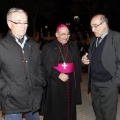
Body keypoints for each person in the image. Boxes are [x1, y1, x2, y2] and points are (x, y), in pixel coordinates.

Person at [0, 8, 46, 120]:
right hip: (12, 101)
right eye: (19, 22)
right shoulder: (2, 46)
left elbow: (40, 66)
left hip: (33, 98)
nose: (23, 25)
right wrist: (6, 91)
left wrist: (40, 82)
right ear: (10, 24)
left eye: (25, 22)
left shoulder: (34, 45)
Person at [82, 14, 120, 120]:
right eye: (91, 26)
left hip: (109, 84)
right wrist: (84, 60)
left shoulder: (116, 37)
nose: (93, 29)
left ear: (104, 24)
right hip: (94, 83)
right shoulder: (94, 40)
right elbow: (91, 57)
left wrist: (114, 83)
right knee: (98, 112)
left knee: (108, 115)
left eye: (95, 26)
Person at [41, 24, 82, 120]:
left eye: (68, 34)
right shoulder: (48, 48)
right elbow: (44, 66)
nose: (66, 37)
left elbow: (77, 61)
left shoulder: (73, 46)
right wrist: (58, 74)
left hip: (70, 82)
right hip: (55, 84)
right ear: (56, 34)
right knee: (56, 107)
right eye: (63, 34)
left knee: (69, 106)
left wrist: (83, 61)